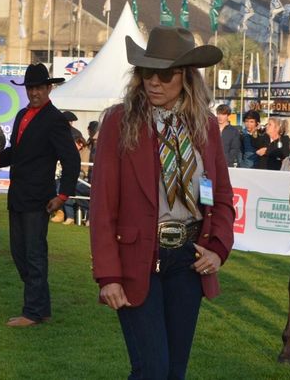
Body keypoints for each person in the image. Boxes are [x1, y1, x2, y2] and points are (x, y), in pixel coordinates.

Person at [90, 26, 235, 379]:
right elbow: (102, 206)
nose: (154, 82)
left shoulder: (206, 127)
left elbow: (221, 197)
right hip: (137, 259)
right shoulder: (118, 122)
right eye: (146, 73)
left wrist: (217, 247)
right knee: (152, 370)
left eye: (165, 75)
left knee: (174, 373)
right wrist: (108, 276)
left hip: (189, 260)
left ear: (186, 77)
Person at [0, 63, 81, 327]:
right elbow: (17, 153)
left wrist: (63, 195)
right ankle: (41, 306)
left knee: (33, 254)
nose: (34, 92)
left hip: (39, 198)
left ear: (48, 88)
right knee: (20, 253)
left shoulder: (56, 120)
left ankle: (32, 312)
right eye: (31, 88)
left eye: (39, 87)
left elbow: (71, 160)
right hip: (18, 195)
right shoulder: (22, 114)